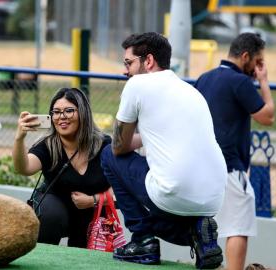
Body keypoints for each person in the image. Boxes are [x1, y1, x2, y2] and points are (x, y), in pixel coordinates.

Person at [100, 32, 227, 269]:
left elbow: (118, 147)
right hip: (213, 199)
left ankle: (142, 241)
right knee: (164, 202)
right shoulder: (191, 91)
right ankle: (199, 233)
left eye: (129, 63)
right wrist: (146, 138)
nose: (125, 71)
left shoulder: (138, 84)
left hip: (174, 193)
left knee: (107, 154)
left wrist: (138, 139)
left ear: (148, 61)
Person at [194, 33, 274, 270]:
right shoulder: (239, 81)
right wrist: (263, 80)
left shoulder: (204, 79)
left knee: (207, 227)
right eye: (257, 62)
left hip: (202, 166)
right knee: (238, 226)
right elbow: (268, 116)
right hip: (229, 167)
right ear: (245, 56)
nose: (257, 68)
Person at [12, 87, 112, 248]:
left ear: (83, 113)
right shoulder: (48, 145)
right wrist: (19, 139)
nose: (61, 117)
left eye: (69, 111)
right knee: (51, 214)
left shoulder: (104, 145)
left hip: (92, 215)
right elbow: (25, 168)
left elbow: (121, 188)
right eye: (56, 112)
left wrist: (92, 200)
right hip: (56, 212)